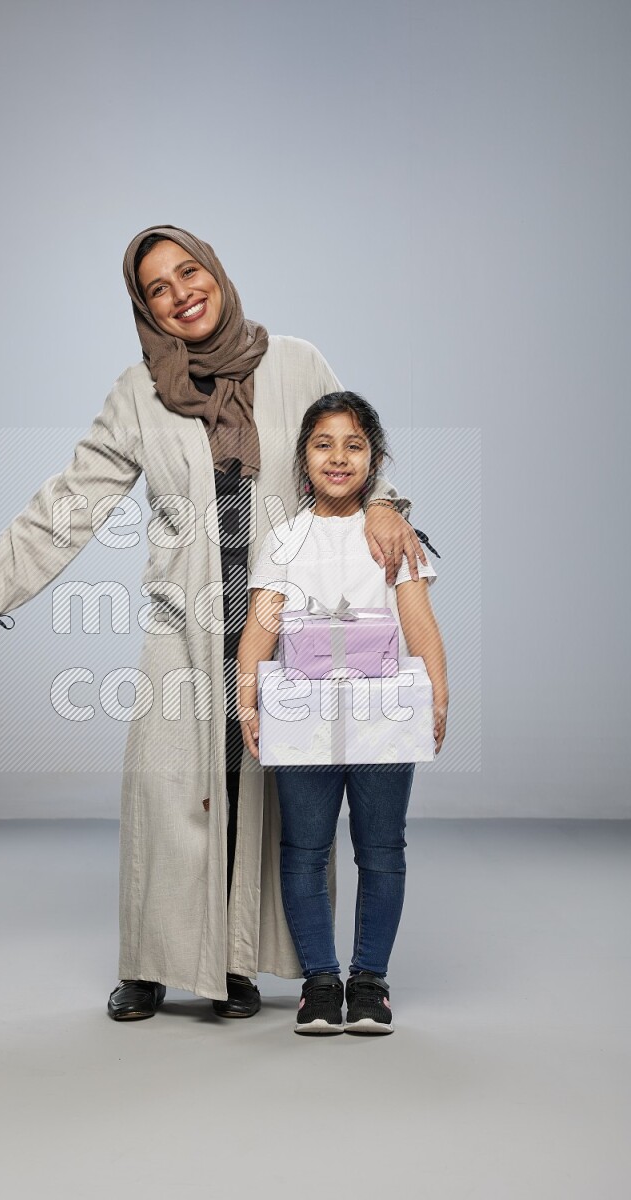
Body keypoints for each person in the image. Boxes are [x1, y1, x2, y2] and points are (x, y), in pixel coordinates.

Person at [0, 225, 428, 1021]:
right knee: (165, 793)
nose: (181, 291)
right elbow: (74, 498)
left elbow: (355, 452)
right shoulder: (137, 392)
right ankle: (147, 965)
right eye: (158, 287)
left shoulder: (296, 362)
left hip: (280, 624)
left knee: (262, 796)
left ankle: (237, 965)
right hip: (183, 624)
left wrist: (390, 507)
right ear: (145, 307)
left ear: (216, 273)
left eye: (189, 271)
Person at [236, 390, 447, 1035]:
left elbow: (417, 617)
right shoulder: (285, 537)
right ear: (304, 460)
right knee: (304, 849)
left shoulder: (392, 535)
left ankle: (371, 980)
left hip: (381, 713)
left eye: (354, 445)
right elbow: (264, 619)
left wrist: (437, 691)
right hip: (302, 713)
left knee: (380, 848)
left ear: (373, 459)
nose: (338, 457)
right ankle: (321, 983)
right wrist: (247, 694)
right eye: (323, 444)